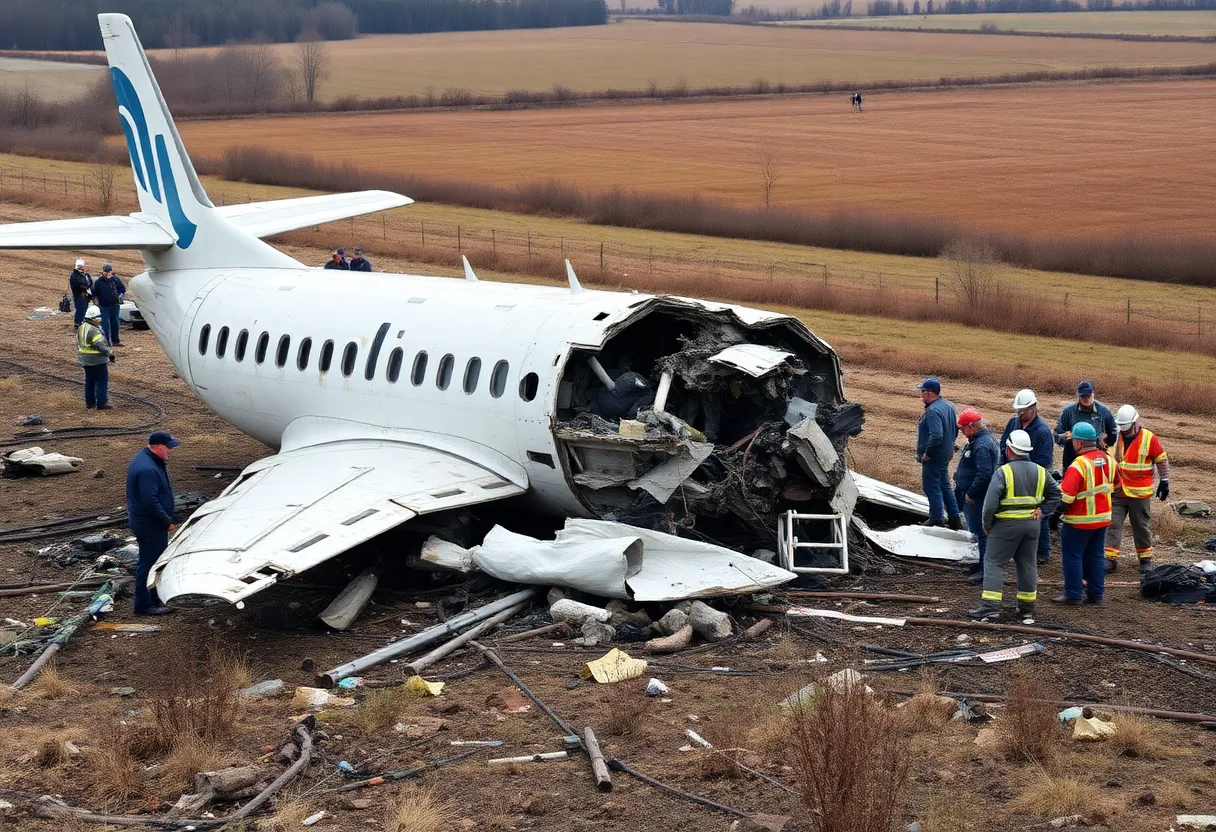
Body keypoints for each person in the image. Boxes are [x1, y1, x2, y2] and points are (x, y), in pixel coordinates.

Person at [970, 429, 1060, 620]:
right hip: (1032, 525)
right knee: (1027, 563)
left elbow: (990, 504)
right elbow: (1056, 494)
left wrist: (987, 524)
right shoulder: (1040, 471)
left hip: (1006, 526)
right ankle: (1026, 606)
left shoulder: (1003, 472)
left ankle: (990, 607)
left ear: (1010, 449)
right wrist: (1043, 511)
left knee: (994, 562)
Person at [1053, 422, 1115, 604]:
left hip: (1079, 521)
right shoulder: (1109, 460)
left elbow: (1065, 497)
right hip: (1102, 519)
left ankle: (1073, 594)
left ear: (1078, 443)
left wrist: (1054, 516)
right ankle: (1096, 594)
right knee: (1096, 556)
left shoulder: (1078, 466)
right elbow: (1117, 485)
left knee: (1073, 555)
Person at [1105, 404, 1169, 575]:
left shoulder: (1149, 438)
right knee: (1112, 524)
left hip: (1139, 494)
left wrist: (1165, 480)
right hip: (1118, 492)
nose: (1124, 431)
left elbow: (1161, 459)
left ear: (1134, 422)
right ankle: (1109, 559)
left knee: (1141, 526)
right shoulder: (1114, 438)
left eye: (1126, 428)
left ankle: (1145, 560)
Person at [126, 431, 182, 616]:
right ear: (157, 447)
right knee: (149, 563)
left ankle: (154, 597)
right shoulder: (147, 469)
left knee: (154, 561)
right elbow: (149, 501)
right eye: (168, 448)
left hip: (149, 522)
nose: (170, 451)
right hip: (150, 524)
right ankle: (143, 605)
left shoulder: (147, 460)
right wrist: (166, 521)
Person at [1000, 389, 1054, 564]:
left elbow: (1044, 460)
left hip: (1035, 477)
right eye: (1018, 410)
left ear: (1034, 408)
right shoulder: (1013, 424)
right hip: (1012, 474)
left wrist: (1026, 470)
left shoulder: (1042, 432)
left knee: (1038, 513)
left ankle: (1042, 551)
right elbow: (1003, 446)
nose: (1020, 413)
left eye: (1023, 410)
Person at [953, 407, 999, 584]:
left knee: (983, 533)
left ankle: (985, 570)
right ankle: (981, 564)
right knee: (981, 533)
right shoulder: (980, 441)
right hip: (978, 495)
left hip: (979, 497)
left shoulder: (982, 445)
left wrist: (971, 492)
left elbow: (985, 474)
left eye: (964, 429)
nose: (963, 433)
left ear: (971, 426)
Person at [916, 378, 962, 530]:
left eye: (922, 391)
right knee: (944, 485)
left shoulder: (933, 410)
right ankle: (954, 518)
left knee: (931, 487)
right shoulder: (948, 405)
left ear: (928, 393)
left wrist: (928, 453)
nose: (921, 394)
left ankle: (936, 519)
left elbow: (936, 435)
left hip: (935, 455)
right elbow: (955, 429)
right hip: (945, 453)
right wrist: (951, 445)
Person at [1054, 381, 1116, 470]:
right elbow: (1057, 436)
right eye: (1083, 396)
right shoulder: (1068, 412)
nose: (1086, 398)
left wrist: (1105, 441)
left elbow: (1113, 434)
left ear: (1093, 394)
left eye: (1088, 396)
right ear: (1078, 396)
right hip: (1072, 461)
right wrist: (1067, 437)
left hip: (1096, 461)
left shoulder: (1104, 412)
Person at [77, 305, 114, 410]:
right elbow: (100, 345)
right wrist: (109, 354)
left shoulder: (82, 327)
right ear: (93, 318)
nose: (100, 319)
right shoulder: (94, 330)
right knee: (102, 381)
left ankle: (90, 402)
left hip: (85, 360)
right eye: (98, 316)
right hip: (97, 360)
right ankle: (102, 402)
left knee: (89, 382)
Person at [92, 264, 126, 347]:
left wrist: (121, 295)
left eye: (109, 272)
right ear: (103, 272)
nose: (108, 274)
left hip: (115, 305)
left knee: (115, 323)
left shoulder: (115, 279)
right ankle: (106, 341)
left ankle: (115, 341)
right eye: (106, 272)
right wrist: (96, 304)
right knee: (105, 325)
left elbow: (122, 289)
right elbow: (94, 294)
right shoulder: (98, 282)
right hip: (104, 306)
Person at [68, 258, 93, 328]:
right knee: (80, 309)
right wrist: (84, 288)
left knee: (84, 308)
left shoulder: (86, 275)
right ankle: (78, 323)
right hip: (78, 295)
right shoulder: (74, 275)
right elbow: (79, 284)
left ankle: (82, 322)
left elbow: (90, 283)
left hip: (86, 295)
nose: (82, 269)